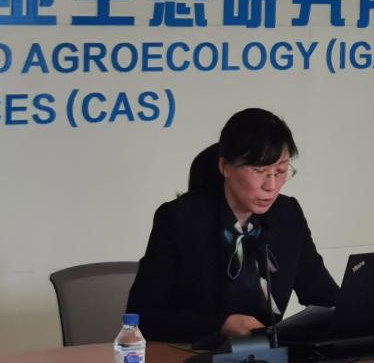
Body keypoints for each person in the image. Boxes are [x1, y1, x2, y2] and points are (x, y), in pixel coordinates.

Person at [126, 108, 339, 343]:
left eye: (280, 171)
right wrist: (221, 325)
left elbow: (326, 298)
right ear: (225, 167)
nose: (271, 186)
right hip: (194, 356)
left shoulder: (287, 215)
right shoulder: (180, 220)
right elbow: (144, 316)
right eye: (259, 171)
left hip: (269, 357)